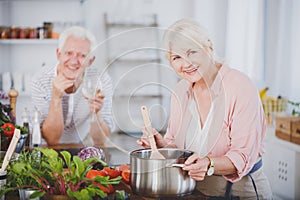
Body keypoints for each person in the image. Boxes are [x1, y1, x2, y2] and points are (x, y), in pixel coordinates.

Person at [137, 19, 272, 199]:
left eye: (192, 52)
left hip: (240, 191)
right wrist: (162, 146)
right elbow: (178, 146)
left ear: (209, 47)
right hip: (195, 190)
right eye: (176, 57)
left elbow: (242, 155)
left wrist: (209, 164)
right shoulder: (180, 90)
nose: (186, 63)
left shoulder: (240, 86)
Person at [31, 26, 113, 146]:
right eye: (69, 53)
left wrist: (96, 113)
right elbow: (52, 140)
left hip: (82, 146)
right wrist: (56, 98)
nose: (74, 61)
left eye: (82, 56)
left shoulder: (102, 80)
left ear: (91, 60)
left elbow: (100, 141)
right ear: (59, 54)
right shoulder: (40, 80)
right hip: (46, 150)